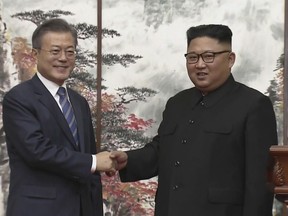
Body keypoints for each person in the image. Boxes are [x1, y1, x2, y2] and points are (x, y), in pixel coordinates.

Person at [111, 24, 278, 216]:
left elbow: (260, 184)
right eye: (192, 57)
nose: (199, 65)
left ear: (230, 59)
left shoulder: (254, 105)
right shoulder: (177, 103)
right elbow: (162, 152)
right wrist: (128, 160)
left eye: (209, 56)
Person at [2, 18, 115, 216]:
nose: (63, 58)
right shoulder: (18, 98)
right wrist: (94, 162)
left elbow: (85, 154)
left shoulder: (79, 102)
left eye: (70, 52)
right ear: (35, 54)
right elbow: (37, 151)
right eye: (55, 51)